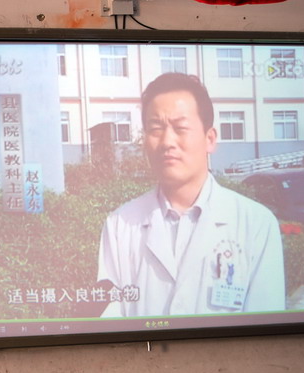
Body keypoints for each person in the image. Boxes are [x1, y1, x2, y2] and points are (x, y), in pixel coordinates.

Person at [97, 73, 285, 317]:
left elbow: (264, 327)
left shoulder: (256, 223)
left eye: (180, 128)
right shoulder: (120, 224)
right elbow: (112, 321)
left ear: (210, 139)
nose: (167, 141)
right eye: (155, 129)